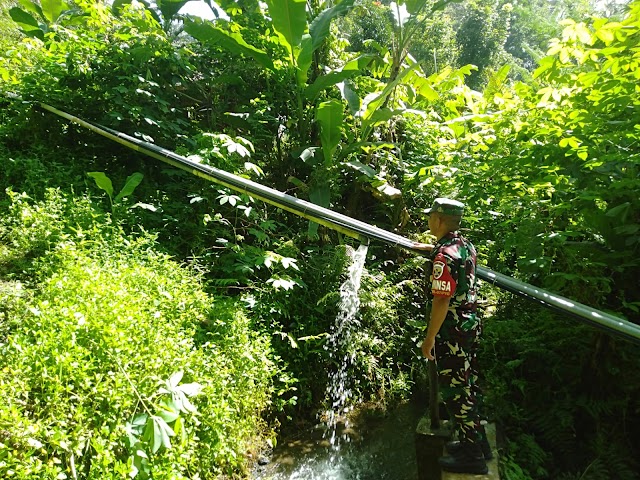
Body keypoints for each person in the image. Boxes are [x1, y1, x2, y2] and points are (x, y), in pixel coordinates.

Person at [413, 197, 489, 475]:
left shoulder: (444, 255)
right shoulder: (464, 245)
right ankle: (479, 443)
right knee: (470, 385)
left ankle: (473, 456)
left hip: (452, 331)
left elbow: (441, 300)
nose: (428, 220)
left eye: (431, 216)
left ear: (440, 220)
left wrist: (429, 337)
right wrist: (429, 249)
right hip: (470, 325)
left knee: (457, 392)